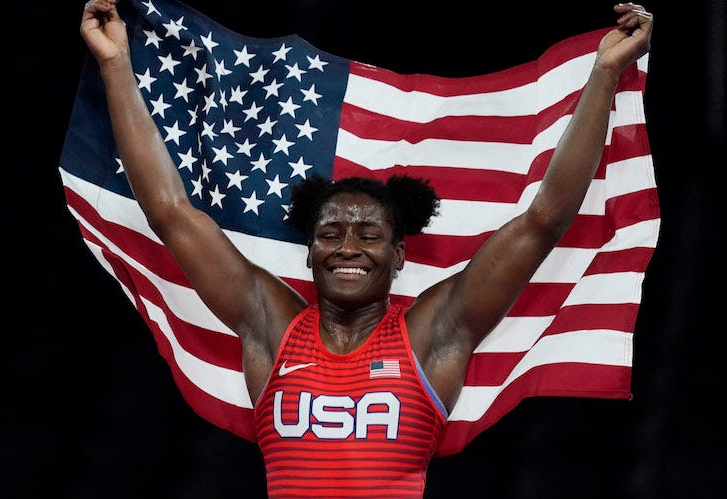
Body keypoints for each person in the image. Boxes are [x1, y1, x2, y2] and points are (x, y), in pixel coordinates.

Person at [80, 0, 654, 496]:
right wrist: (114, 64)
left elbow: (543, 220)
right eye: (330, 233)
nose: (347, 246)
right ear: (308, 252)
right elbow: (170, 211)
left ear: (400, 255)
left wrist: (603, 74)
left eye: (369, 234)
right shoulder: (271, 325)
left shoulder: (434, 331)